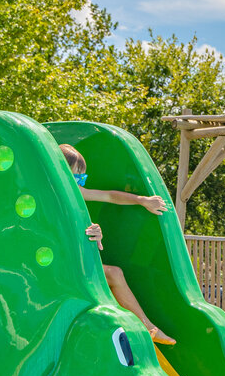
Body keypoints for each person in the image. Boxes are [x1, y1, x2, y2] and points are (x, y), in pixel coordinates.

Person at [59, 144, 176, 345]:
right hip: (56, 267)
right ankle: (148, 328)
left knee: (114, 273)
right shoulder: (50, 198)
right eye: (76, 178)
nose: (80, 184)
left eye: (82, 179)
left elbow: (110, 195)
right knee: (114, 274)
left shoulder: (77, 195)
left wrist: (142, 200)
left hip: (69, 262)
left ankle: (146, 328)